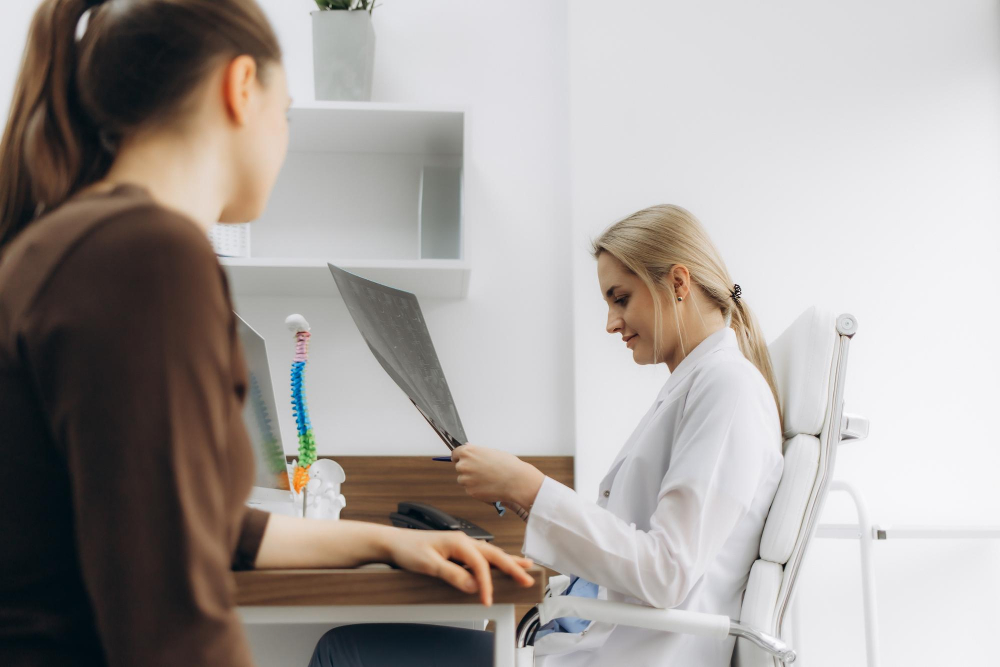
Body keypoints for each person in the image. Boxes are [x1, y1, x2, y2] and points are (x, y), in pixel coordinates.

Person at [0, 1, 533, 666]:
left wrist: (387, 542)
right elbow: (171, 616)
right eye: (284, 115)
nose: (282, 141)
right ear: (241, 85)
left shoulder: (69, 245)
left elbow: (207, 529)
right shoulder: (148, 255)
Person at [312, 204, 784, 666]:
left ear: (678, 283)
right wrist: (520, 496)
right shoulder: (694, 388)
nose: (611, 323)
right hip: (582, 640)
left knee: (345, 651)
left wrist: (528, 485)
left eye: (621, 299)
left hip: (623, 654)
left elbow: (666, 572)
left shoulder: (728, 387)